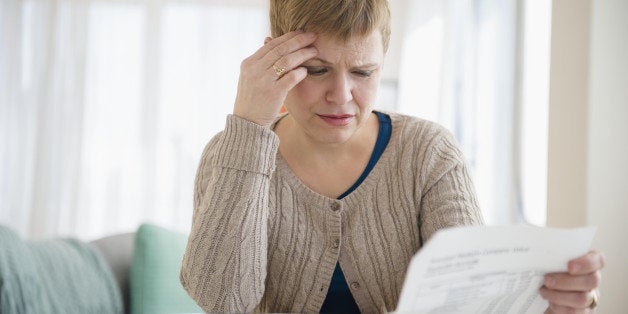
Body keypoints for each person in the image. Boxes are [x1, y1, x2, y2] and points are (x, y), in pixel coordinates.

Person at [180, 0, 604, 312]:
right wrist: (250, 126)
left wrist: (553, 305)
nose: (341, 97)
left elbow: (472, 302)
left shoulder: (428, 154)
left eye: (363, 72)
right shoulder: (231, 153)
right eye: (317, 70)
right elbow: (224, 302)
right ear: (277, 59)